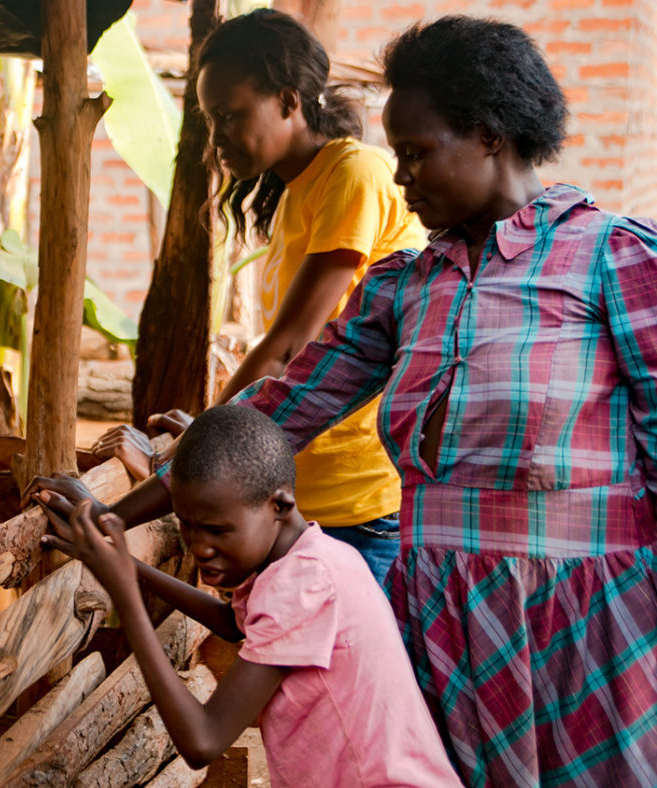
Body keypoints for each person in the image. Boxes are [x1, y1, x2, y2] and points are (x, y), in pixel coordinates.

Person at [35, 16, 657, 786]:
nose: (401, 178)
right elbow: (273, 415)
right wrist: (111, 519)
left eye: (419, 153)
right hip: (446, 629)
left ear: (491, 136)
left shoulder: (609, 260)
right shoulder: (405, 289)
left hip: (584, 624)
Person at [92, 8, 426, 584]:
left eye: (229, 116)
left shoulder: (354, 175)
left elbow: (288, 347)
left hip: (357, 499)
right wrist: (202, 434)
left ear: (289, 101)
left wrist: (197, 443)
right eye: (208, 119)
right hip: (300, 486)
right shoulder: (296, 194)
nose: (216, 136)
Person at [37, 406, 460, 788]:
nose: (198, 547)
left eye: (218, 531)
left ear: (279, 505)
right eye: (187, 525)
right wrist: (122, 562)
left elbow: (203, 741)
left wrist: (125, 594)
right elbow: (231, 623)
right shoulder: (313, 557)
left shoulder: (305, 585)